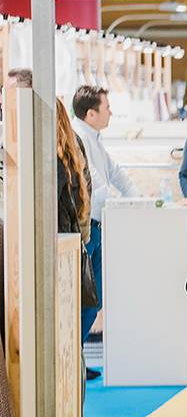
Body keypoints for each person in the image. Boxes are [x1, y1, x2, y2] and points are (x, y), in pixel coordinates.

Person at [72, 86, 140, 365]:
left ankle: (78, 357)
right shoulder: (80, 139)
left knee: (94, 299)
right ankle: (75, 357)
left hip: (97, 226)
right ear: (91, 114)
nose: (110, 111)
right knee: (87, 298)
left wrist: (137, 200)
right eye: (106, 107)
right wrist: (119, 202)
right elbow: (96, 184)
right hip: (88, 228)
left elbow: (114, 173)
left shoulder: (94, 138)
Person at [56, 98, 93, 377]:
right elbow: (84, 198)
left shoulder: (51, 158)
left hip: (56, 250)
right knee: (70, 328)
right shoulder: (71, 149)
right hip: (71, 245)